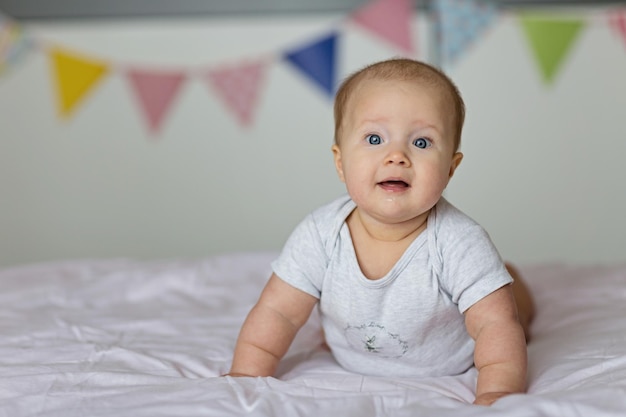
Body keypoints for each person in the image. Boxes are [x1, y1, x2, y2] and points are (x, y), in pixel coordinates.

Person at [227, 58, 535, 406]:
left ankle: (512, 284)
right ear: (341, 163)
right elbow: (278, 312)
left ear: (450, 168)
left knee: (511, 314)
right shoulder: (319, 233)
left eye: (421, 143)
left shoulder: (460, 242)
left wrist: (498, 391)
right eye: (375, 138)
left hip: (447, 362)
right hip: (355, 354)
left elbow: (495, 327)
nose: (397, 156)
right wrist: (247, 373)